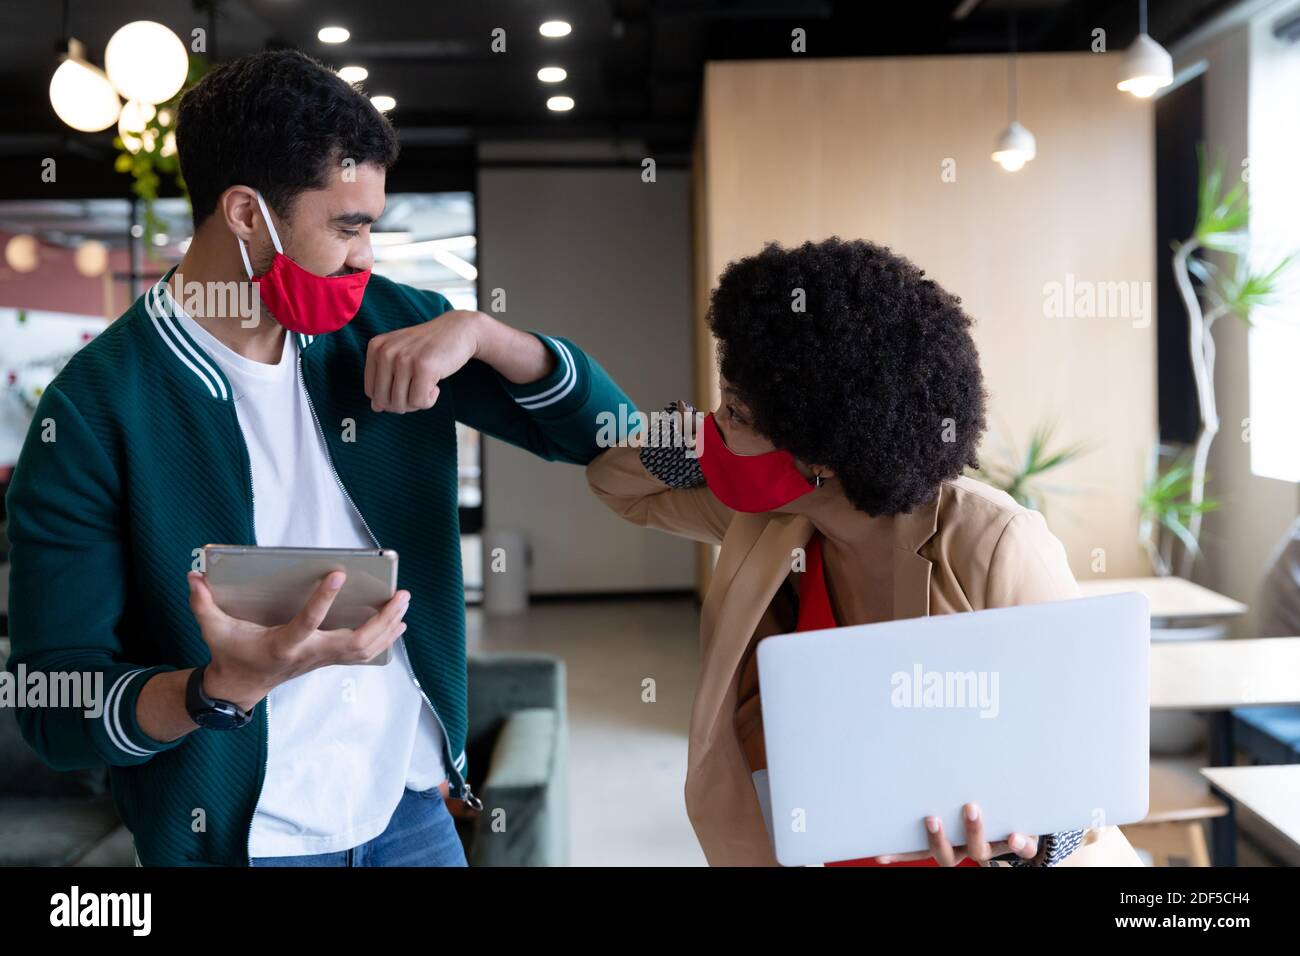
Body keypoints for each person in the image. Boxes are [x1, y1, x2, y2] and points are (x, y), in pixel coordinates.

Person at [5, 50, 630, 867]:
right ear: (244, 213)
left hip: (410, 818)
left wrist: (489, 334)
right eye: (347, 226)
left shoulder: (394, 328)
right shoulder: (95, 409)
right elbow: (57, 706)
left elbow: (616, 437)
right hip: (241, 843)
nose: (367, 254)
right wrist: (218, 689)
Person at [587, 237, 1142, 866]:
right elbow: (617, 485)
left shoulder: (993, 542)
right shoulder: (772, 517)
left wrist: (1036, 844)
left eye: (737, 411)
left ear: (820, 447)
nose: (718, 420)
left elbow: (1091, 767)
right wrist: (702, 440)